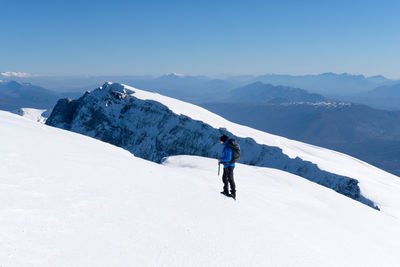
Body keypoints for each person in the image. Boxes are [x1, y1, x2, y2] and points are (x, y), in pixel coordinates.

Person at [218, 134, 236, 199]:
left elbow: (228, 158)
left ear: (223, 140)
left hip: (230, 165)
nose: (220, 142)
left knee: (230, 178)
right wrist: (222, 161)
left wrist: (221, 159)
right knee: (224, 178)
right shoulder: (226, 146)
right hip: (227, 165)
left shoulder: (228, 147)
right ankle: (226, 191)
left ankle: (233, 193)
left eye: (220, 141)